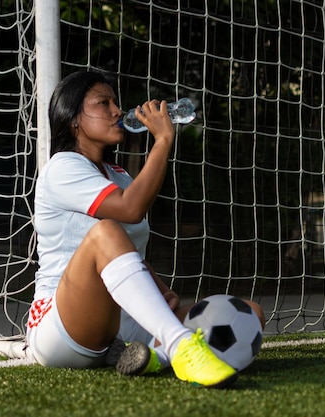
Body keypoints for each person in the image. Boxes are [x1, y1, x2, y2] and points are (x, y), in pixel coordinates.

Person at [26, 71, 264, 388]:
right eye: (103, 103)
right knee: (106, 231)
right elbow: (128, 211)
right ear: (73, 119)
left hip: (124, 329)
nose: (116, 111)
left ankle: (155, 356)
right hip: (62, 329)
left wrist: (160, 288)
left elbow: (127, 252)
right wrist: (163, 141)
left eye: (115, 102)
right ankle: (179, 348)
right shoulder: (62, 166)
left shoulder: (118, 175)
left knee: (250, 313)